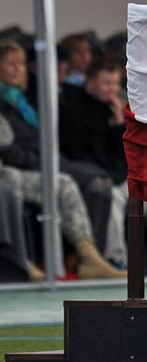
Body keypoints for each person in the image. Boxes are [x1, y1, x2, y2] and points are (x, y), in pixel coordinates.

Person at [0, 40, 124, 279]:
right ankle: (85, 257)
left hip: (44, 163)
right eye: (10, 64)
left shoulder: (24, 102)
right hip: (19, 169)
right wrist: (44, 159)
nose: (18, 69)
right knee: (70, 183)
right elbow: (10, 153)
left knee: (99, 182)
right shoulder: (7, 104)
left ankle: (87, 257)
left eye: (21, 64)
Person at [59, 59, 147, 274]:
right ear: (90, 82)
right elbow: (80, 152)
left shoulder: (118, 110)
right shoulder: (72, 109)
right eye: (106, 83)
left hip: (124, 175)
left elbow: (128, 151)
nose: (112, 89)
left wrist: (120, 123)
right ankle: (117, 260)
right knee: (113, 198)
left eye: (115, 84)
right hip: (96, 177)